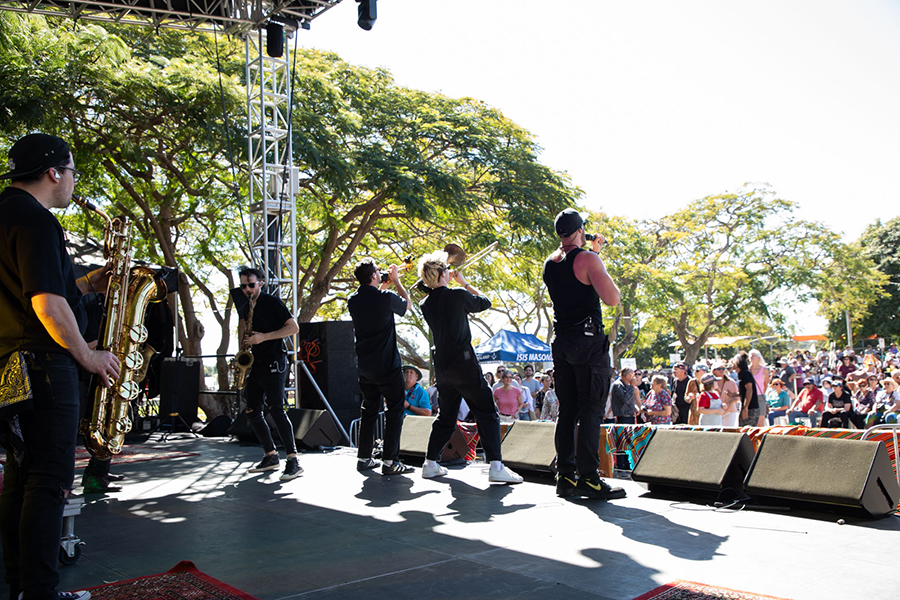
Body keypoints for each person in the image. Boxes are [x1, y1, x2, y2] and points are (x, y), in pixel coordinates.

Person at [0, 133, 121, 600]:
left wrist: (87, 284)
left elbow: (30, 289)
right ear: (54, 172)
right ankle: (42, 593)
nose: (73, 181)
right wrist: (88, 355)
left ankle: (22, 587)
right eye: (72, 172)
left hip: (9, 365)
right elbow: (47, 303)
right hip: (44, 366)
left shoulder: (4, 213)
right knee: (49, 484)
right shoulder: (37, 220)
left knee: (20, 477)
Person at [417, 250, 522, 484]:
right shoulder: (457, 295)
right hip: (463, 363)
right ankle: (496, 465)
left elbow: (432, 294)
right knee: (486, 411)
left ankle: (430, 463)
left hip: (442, 366)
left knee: (446, 416)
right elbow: (485, 302)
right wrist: (464, 283)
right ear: (444, 274)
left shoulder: (425, 304)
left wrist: (442, 280)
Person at [542, 208, 625, 500]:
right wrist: (596, 254)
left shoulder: (550, 263)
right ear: (581, 230)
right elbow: (612, 298)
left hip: (562, 342)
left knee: (568, 411)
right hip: (588, 343)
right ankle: (589, 478)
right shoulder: (588, 259)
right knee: (591, 411)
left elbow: (568, 268)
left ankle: (565, 475)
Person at [347, 258, 415, 476]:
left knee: (368, 411)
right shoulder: (385, 297)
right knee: (394, 410)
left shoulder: (353, 300)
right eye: (378, 271)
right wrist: (396, 282)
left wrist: (381, 285)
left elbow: (374, 303)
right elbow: (406, 305)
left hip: (365, 366)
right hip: (387, 365)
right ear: (374, 275)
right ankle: (390, 461)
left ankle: (364, 458)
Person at [236, 267, 303, 482]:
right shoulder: (246, 306)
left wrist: (263, 337)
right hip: (257, 363)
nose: (247, 289)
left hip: (275, 361)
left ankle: (293, 460)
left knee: (276, 409)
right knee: (252, 411)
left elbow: (293, 328)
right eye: (243, 285)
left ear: (261, 284)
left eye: (251, 285)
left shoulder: (272, 303)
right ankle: (270, 455)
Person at [735, 351, 761, 427]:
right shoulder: (740, 374)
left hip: (750, 408)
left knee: (747, 431)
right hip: (746, 407)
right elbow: (744, 391)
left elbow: (749, 390)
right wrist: (733, 394)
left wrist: (745, 408)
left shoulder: (745, 373)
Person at [713, 360, 741, 427]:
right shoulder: (711, 382)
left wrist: (730, 401)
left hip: (729, 411)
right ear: (713, 371)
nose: (722, 370)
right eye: (719, 369)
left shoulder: (731, 382)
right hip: (715, 411)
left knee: (729, 431)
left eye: (723, 369)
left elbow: (738, 397)